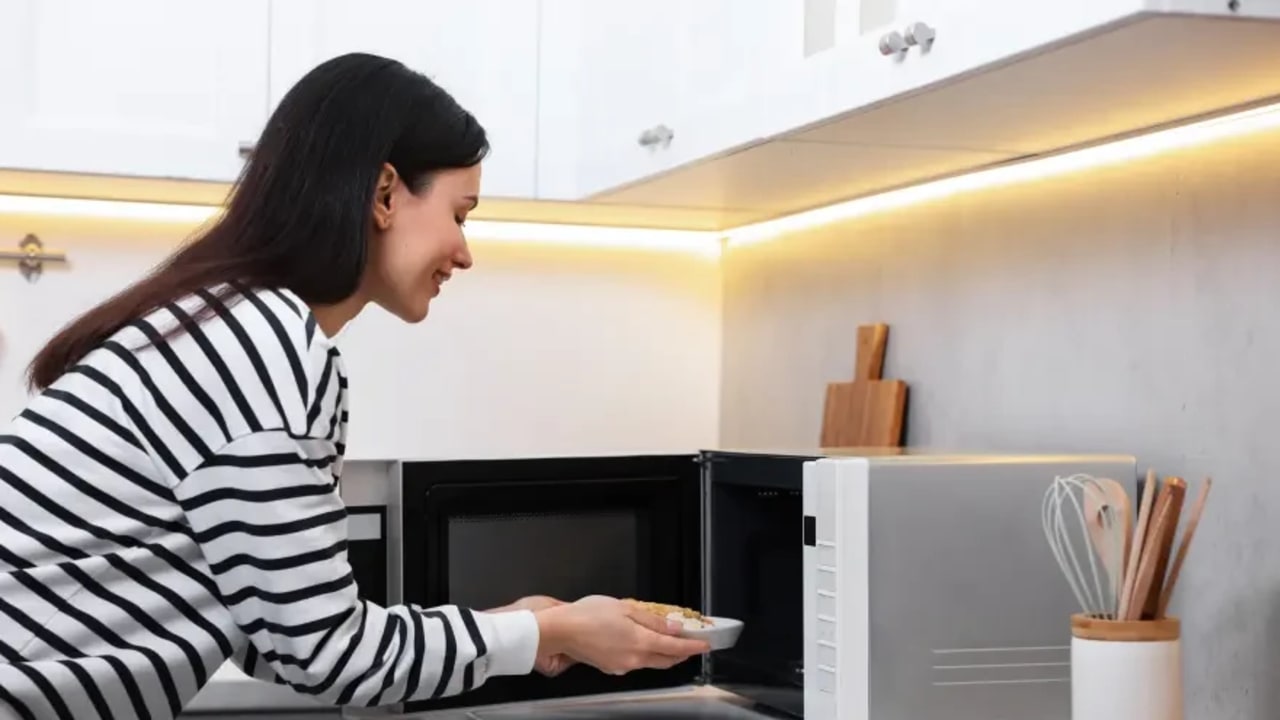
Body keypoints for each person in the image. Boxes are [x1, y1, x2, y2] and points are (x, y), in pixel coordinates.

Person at [0, 52, 708, 720]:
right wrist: (550, 630)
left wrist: (523, 627)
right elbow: (328, 654)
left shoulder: (229, 320)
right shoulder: (264, 345)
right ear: (384, 193)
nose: (464, 252)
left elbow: (278, 634)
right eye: (460, 214)